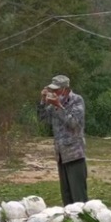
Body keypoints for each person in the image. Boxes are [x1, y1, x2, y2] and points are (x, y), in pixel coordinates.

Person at [38, 74, 88, 206]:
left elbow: (74, 123)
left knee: (78, 196)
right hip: (61, 154)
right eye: (51, 90)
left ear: (65, 89)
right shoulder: (53, 104)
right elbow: (42, 119)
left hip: (74, 153)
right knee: (66, 195)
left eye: (56, 90)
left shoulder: (76, 100)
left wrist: (59, 107)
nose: (53, 93)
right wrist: (43, 100)